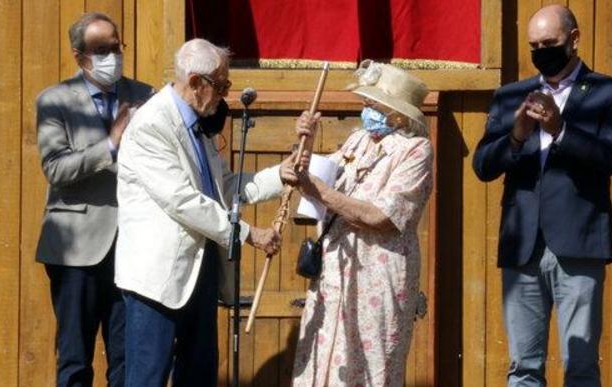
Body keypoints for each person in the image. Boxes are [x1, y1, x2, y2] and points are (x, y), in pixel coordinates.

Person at [114, 38, 305, 387]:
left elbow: (222, 188)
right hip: (157, 280)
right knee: (146, 379)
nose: (225, 95)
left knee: (199, 375)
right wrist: (248, 234)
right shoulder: (151, 125)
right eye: (221, 85)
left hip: (199, 271)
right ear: (196, 83)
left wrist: (279, 175)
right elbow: (182, 200)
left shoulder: (197, 125)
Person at [472, 5, 612, 386]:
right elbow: (482, 165)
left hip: (578, 242)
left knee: (580, 368)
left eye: (550, 43)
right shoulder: (512, 96)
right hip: (522, 242)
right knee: (523, 368)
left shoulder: (609, 91)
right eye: (535, 45)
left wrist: (561, 130)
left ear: (574, 40)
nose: (542, 50)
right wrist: (516, 137)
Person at [291, 60, 433, 386]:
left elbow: (383, 216)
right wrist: (305, 144)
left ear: (397, 114)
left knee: (371, 365)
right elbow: (317, 177)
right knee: (322, 364)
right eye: (365, 104)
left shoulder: (416, 150)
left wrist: (322, 191)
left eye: (372, 104)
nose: (365, 111)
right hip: (336, 272)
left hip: (377, 275)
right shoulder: (359, 140)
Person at [35, 12, 154, 387]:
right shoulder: (55, 100)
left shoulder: (145, 96)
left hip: (131, 247)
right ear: (78, 55)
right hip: (76, 250)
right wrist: (111, 143)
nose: (113, 56)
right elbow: (56, 168)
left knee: (126, 357)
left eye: (116, 47)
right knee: (74, 359)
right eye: (102, 50)